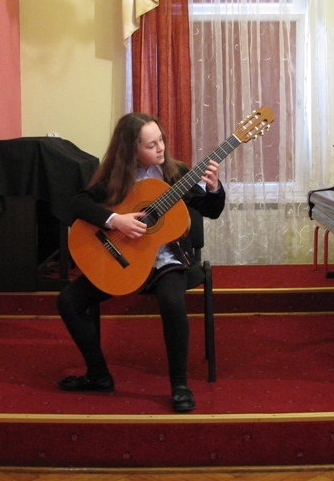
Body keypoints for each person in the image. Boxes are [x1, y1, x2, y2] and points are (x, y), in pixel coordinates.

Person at [57, 112, 226, 413]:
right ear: (131, 150)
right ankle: (98, 375)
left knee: (172, 301)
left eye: (161, 139)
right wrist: (115, 220)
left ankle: (180, 385)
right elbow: (78, 203)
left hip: (167, 260)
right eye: (151, 145)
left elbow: (211, 211)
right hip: (123, 259)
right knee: (68, 301)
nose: (161, 148)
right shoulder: (115, 177)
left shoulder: (176, 173)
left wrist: (214, 187)